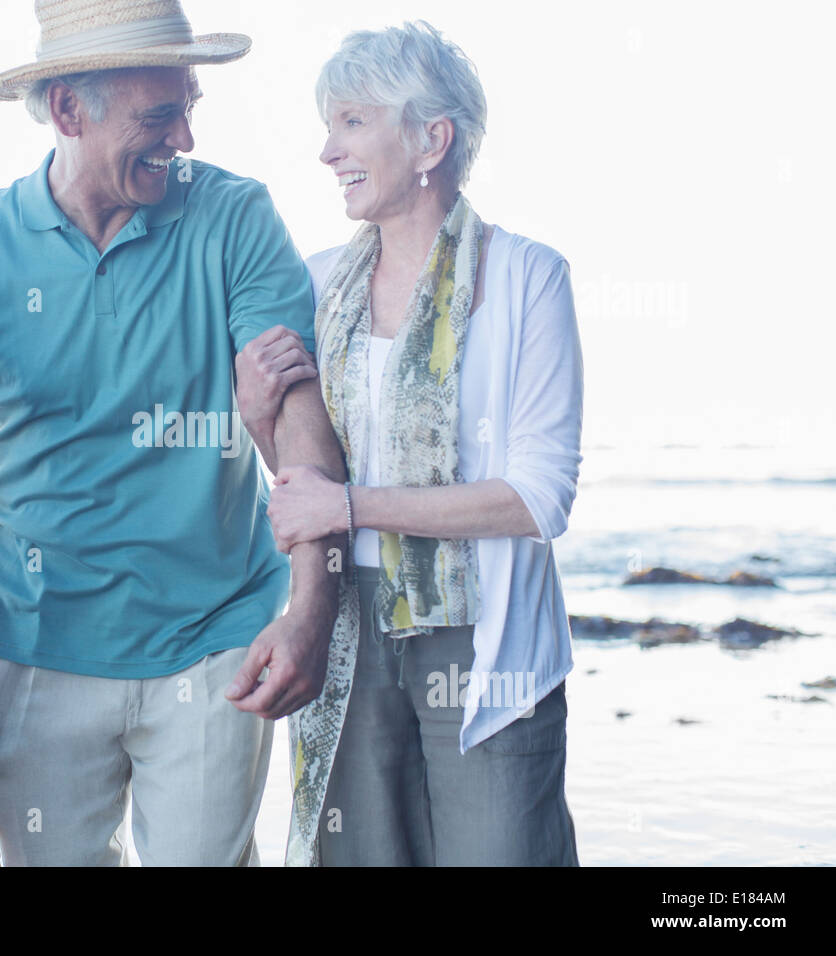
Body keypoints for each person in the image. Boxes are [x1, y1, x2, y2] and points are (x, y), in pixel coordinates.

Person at [0, 0, 346, 866]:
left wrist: (312, 606)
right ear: (67, 111)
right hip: (35, 648)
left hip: (215, 640)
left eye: (190, 105)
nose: (186, 138)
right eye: (159, 115)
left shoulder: (235, 218)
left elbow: (296, 416)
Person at [239, 22, 584, 866]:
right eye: (330, 125)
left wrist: (351, 505)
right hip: (346, 622)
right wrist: (256, 418)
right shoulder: (318, 282)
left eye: (353, 122)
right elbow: (304, 488)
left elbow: (539, 498)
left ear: (434, 138)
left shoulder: (527, 277)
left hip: (486, 638)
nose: (328, 150)